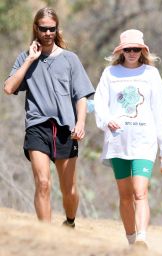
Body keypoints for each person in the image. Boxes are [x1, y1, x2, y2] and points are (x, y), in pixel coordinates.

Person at [4, 7, 95, 228]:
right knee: (43, 183)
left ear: (57, 29)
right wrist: (29, 60)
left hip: (65, 128)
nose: (47, 33)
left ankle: (70, 222)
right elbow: (8, 88)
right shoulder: (25, 58)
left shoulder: (70, 59)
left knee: (69, 190)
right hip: (37, 127)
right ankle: (47, 236)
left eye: (51, 29)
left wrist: (81, 123)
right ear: (36, 28)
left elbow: (81, 95)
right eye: (43, 28)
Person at [94, 29, 162, 247]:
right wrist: (107, 119)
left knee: (140, 192)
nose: (132, 53)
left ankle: (142, 239)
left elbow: (159, 111)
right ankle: (131, 241)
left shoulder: (151, 74)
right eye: (128, 49)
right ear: (121, 50)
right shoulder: (110, 73)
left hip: (144, 142)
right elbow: (99, 103)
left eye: (136, 49)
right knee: (125, 196)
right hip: (118, 143)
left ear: (142, 50)